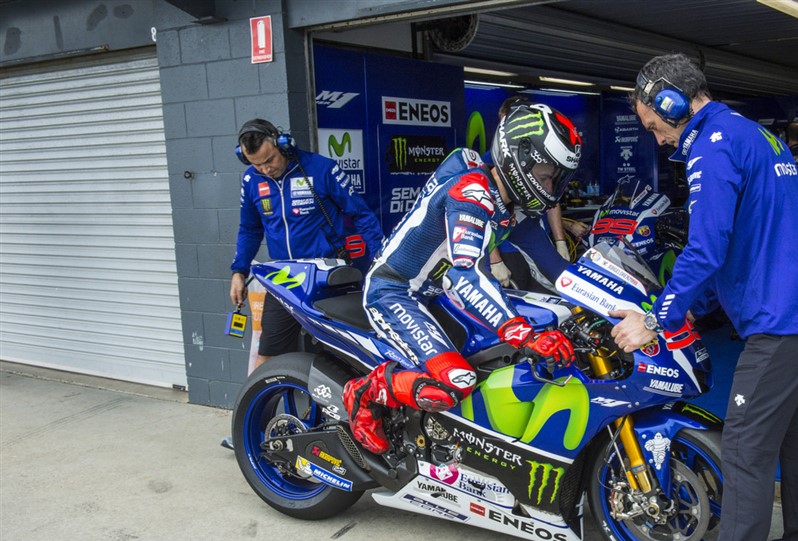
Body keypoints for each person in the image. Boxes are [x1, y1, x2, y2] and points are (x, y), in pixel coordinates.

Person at [610, 53, 798, 541]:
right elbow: (754, 229)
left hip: (784, 320)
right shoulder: (749, 131)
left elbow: (707, 246)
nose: (654, 134)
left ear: (669, 101)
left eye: (653, 122)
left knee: (742, 452)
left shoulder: (709, 146)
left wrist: (655, 317)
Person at [344, 104, 582, 455]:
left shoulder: (513, 205)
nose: (552, 185)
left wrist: (625, 303)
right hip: (396, 291)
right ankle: (365, 391)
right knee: (455, 382)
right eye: (547, 174)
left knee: (495, 356)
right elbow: (464, 274)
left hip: (436, 294)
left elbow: (558, 270)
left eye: (556, 177)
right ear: (520, 158)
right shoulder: (471, 192)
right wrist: (522, 333)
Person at [230, 118, 384, 368]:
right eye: (257, 164)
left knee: (342, 354)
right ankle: (255, 405)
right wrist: (239, 270)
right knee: (268, 354)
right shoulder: (251, 181)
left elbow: (361, 215)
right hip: (284, 278)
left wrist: (381, 260)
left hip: (327, 275)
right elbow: (249, 229)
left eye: (270, 160)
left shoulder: (321, 169)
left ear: (282, 144)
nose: (266, 170)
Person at [488, 95, 583, 291]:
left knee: (561, 276)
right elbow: (477, 216)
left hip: (528, 226)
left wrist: (560, 241)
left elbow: (552, 197)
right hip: (503, 244)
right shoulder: (489, 162)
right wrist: (494, 259)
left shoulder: (543, 157)